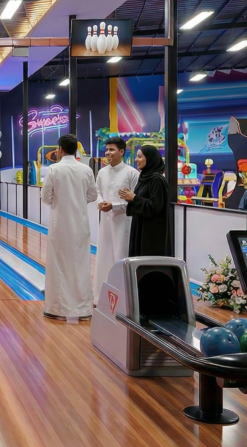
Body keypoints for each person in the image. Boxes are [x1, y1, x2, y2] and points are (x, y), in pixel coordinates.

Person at [41, 134, 98, 321]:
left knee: (58, 264)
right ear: (76, 149)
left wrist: (58, 201)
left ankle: (56, 308)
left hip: (59, 225)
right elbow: (92, 195)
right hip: (80, 224)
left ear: (60, 149)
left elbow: (45, 197)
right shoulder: (86, 170)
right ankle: (82, 310)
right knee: (80, 264)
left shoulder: (54, 169)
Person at [92, 137, 139, 305]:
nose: (108, 153)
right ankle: (100, 297)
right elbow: (96, 191)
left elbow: (135, 199)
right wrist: (101, 203)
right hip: (105, 221)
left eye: (112, 150)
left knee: (120, 256)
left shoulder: (132, 173)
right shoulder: (102, 172)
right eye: (107, 150)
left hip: (123, 222)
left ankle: (123, 301)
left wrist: (114, 205)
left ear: (121, 151)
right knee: (103, 256)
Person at [120, 145, 168, 257]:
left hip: (151, 233)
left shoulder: (157, 180)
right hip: (140, 228)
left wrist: (134, 198)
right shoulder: (144, 177)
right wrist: (131, 197)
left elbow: (156, 206)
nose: (136, 159)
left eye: (140, 156)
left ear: (150, 158)